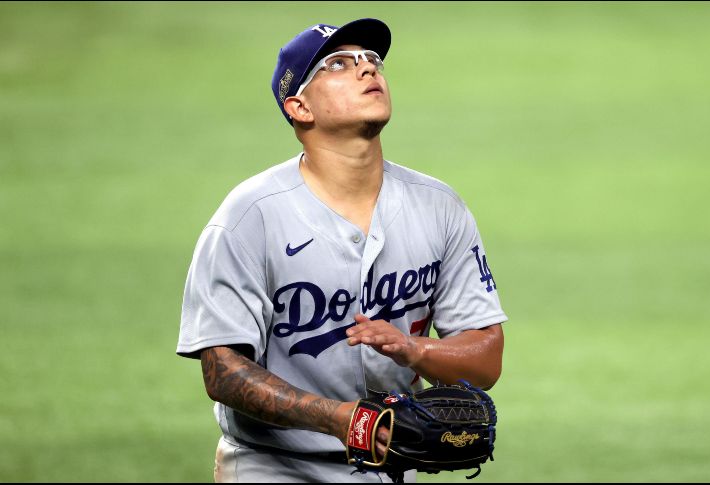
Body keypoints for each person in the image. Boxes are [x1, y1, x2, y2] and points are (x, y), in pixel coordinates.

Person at [177, 18, 507, 483]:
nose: (368, 69)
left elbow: (485, 359)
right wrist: (338, 419)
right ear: (299, 107)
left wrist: (415, 349)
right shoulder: (250, 216)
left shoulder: (439, 207)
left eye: (372, 60)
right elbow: (223, 372)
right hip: (272, 469)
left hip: (391, 467)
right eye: (338, 64)